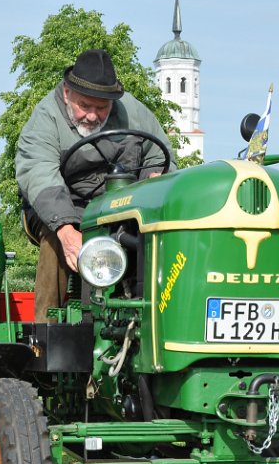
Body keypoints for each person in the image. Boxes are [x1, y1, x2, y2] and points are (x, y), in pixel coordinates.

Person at [16, 49, 175, 321]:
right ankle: (45, 333)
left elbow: (160, 157)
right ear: (67, 94)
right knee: (57, 240)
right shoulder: (46, 118)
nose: (92, 116)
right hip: (63, 206)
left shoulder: (134, 112)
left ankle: (156, 323)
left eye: (101, 108)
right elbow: (39, 173)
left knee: (159, 239)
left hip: (119, 208)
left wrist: (155, 180)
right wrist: (66, 230)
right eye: (84, 106)